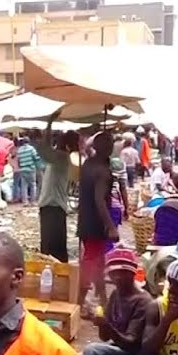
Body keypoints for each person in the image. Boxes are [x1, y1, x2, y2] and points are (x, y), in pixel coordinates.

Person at [80, 249, 153, 355]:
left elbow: (131, 342)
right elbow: (105, 338)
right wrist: (101, 324)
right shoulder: (116, 294)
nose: (118, 277)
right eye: (114, 273)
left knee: (92, 351)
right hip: (119, 349)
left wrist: (106, 325)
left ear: (133, 273)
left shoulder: (143, 301)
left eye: (123, 273)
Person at [77, 131, 120, 310]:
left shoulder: (89, 164)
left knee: (97, 260)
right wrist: (111, 227)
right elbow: (99, 199)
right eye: (108, 143)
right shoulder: (102, 171)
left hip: (85, 218)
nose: (111, 146)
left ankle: (102, 298)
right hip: (95, 222)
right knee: (91, 260)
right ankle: (80, 300)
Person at [37, 130, 80, 263]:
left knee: (50, 248)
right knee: (58, 245)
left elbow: (43, 149)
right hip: (55, 206)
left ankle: (54, 276)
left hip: (52, 205)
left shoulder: (60, 157)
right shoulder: (66, 158)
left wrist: (49, 124)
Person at [13, 136, 41, 204]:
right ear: (29, 141)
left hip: (23, 169)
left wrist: (21, 167)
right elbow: (36, 158)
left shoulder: (20, 150)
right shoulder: (31, 149)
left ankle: (25, 201)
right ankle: (33, 201)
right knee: (33, 185)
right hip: (31, 169)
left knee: (24, 186)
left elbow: (18, 160)